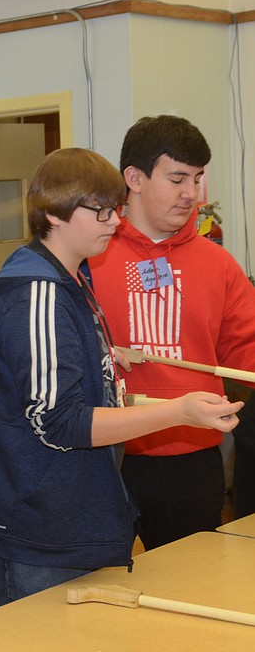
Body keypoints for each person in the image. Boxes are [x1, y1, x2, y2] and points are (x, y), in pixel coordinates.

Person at [0, 147, 242, 612]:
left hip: (67, 518)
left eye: (117, 209)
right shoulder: (39, 293)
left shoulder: (70, 280)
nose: (115, 221)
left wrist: (102, 357)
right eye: (101, 211)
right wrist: (180, 411)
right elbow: (61, 422)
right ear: (53, 212)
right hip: (35, 529)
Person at [88, 115, 255, 550]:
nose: (191, 194)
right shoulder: (90, 256)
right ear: (134, 178)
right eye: (178, 178)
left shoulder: (217, 263)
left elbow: (246, 347)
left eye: (197, 178)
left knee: (191, 587)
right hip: (107, 459)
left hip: (195, 458)